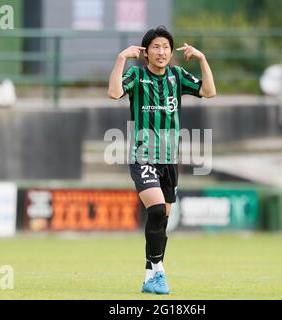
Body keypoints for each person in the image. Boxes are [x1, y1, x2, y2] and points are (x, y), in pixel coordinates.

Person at [107, 25, 216, 294]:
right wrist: (121, 59)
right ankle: (160, 272)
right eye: (155, 47)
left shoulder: (177, 76)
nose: (161, 51)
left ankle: (149, 276)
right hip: (142, 156)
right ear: (145, 52)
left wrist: (202, 59)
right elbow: (114, 92)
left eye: (166, 47)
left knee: (161, 220)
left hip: (170, 161)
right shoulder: (137, 75)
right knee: (155, 210)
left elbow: (209, 92)